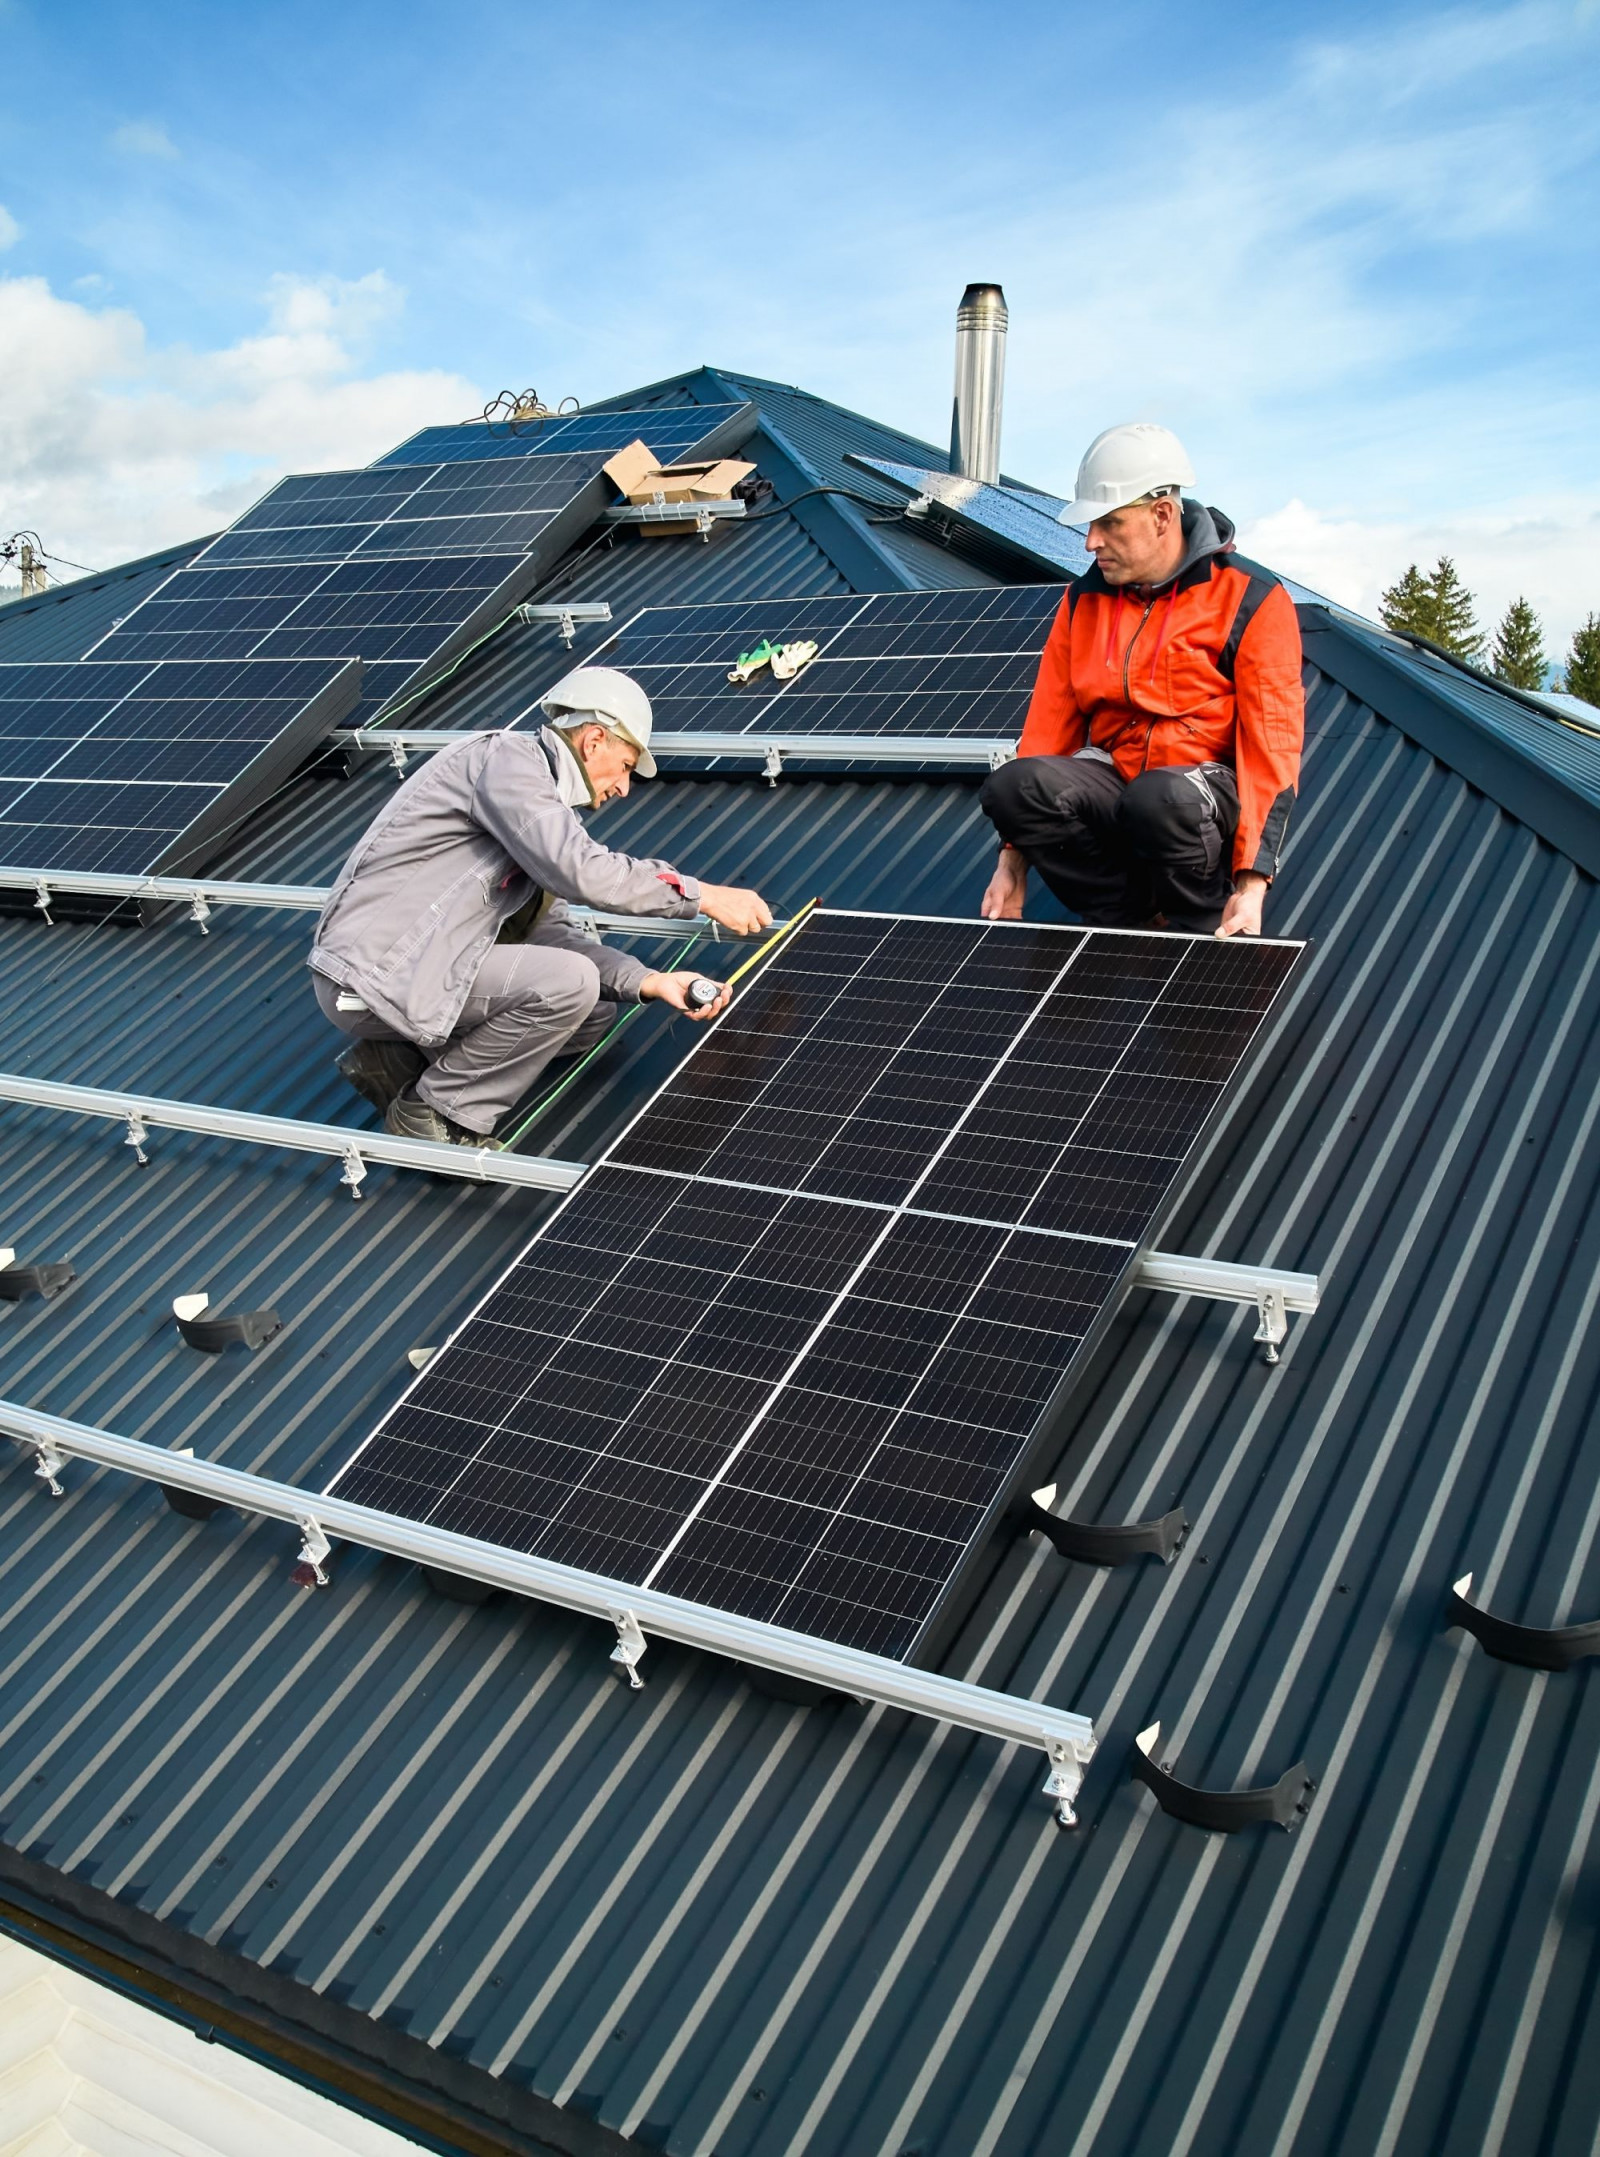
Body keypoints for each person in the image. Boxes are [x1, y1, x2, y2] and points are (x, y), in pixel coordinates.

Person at [308, 666, 772, 1145]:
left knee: (590, 1011)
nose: (624, 788)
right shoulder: (508, 762)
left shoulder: (536, 811)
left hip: (426, 972)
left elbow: (544, 931)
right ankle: (435, 1114)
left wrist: (651, 982)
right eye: (628, 765)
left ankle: (402, 1058)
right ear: (594, 741)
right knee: (567, 985)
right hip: (376, 974)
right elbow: (581, 871)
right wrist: (704, 896)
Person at [979, 421, 1305, 938]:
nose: (1091, 542)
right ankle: (1126, 918)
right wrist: (1011, 864)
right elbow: (1048, 726)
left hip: (1196, 794)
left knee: (1158, 799)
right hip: (1118, 780)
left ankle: (1200, 919)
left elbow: (1272, 750)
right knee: (1013, 786)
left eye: (1109, 524)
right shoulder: (1083, 600)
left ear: (1160, 515)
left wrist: (1252, 885)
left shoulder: (1251, 600)